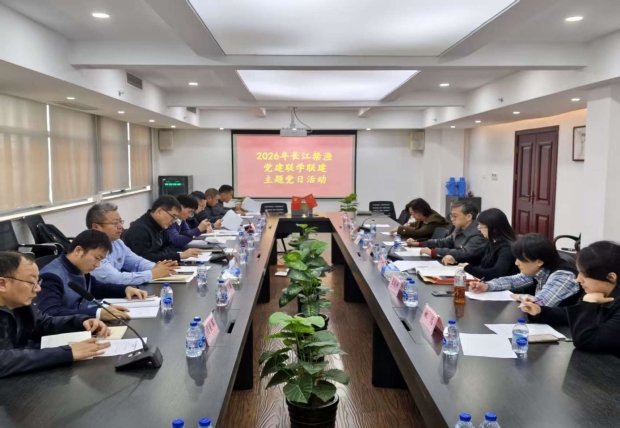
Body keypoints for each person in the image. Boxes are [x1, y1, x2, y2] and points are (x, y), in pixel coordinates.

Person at [0, 251, 111, 378]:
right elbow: (3, 361)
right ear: (2, 284)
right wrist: (66, 352)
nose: (38, 289)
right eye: (31, 282)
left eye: (38, 281)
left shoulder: (20, 303)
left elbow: (44, 323)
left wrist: (81, 322)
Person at [520, 241, 620, 357]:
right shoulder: (599, 293)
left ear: (611, 277)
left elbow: (586, 340)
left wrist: (589, 303)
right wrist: (540, 311)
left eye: (584, 275)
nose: (578, 279)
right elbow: (570, 315)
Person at [37, 230, 147, 320]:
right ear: (78, 251)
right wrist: (97, 313)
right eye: (96, 258)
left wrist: (125, 290)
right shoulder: (51, 276)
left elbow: (96, 288)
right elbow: (50, 313)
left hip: (82, 324)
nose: (97, 265)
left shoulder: (79, 268)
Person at [470, 233, 580, 307]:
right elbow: (513, 281)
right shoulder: (539, 269)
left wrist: (519, 297)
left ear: (539, 261)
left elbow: (540, 303)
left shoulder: (563, 275)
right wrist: (487, 286)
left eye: (521, 259)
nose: (516, 263)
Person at [87, 202, 177, 286]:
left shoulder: (117, 242)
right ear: (96, 227)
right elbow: (115, 279)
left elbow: (137, 263)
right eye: (115, 223)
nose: (121, 227)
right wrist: (152, 274)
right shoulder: (91, 248)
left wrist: (160, 267)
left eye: (120, 221)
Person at [443, 208, 519, 280]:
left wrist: (468, 268)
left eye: (481, 226)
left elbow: (496, 273)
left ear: (493, 229)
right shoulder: (492, 242)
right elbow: (477, 260)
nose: (479, 229)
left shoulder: (507, 248)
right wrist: (455, 260)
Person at [122, 195, 203, 262]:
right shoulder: (139, 230)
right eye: (173, 216)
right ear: (159, 212)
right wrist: (178, 256)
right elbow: (145, 259)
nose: (173, 221)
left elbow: (171, 246)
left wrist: (158, 255)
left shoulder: (161, 225)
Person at [408, 202, 487, 261]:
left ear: (468, 217)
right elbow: (445, 242)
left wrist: (434, 252)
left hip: (470, 270)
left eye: (455, 216)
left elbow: (464, 253)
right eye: (451, 216)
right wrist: (420, 243)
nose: (452, 219)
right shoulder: (459, 228)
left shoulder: (479, 232)